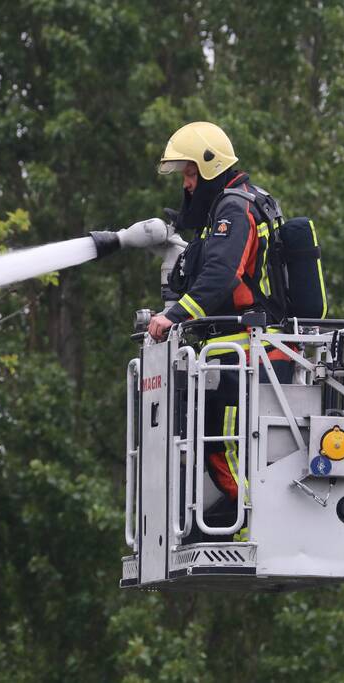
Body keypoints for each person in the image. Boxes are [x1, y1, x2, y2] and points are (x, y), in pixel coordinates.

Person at [147, 121, 290, 534]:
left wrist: (172, 317)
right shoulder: (234, 205)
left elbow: (221, 276)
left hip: (247, 348)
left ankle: (250, 528)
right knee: (214, 440)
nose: (187, 184)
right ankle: (234, 517)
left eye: (190, 173)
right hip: (245, 348)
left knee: (223, 442)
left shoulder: (234, 208)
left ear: (211, 167)